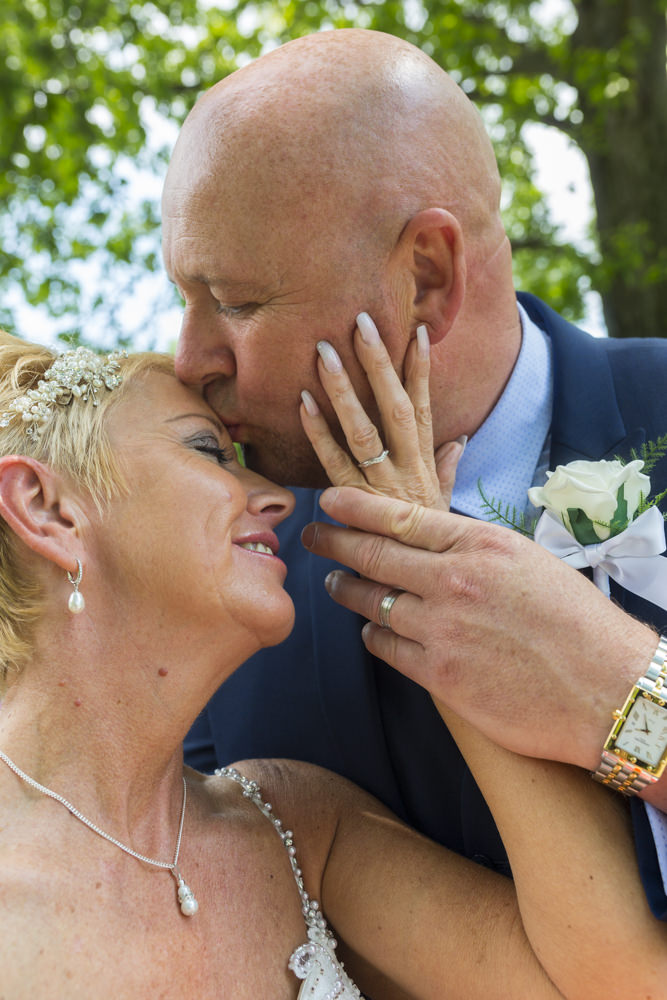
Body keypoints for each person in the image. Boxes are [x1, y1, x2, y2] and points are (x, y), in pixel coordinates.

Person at [162, 28, 667, 917]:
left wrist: (624, 691)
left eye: (236, 302)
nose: (190, 359)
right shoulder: (224, 565)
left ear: (425, 279)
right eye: (185, 300)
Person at [3, 331, 665, 999]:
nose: (277, 497)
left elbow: (618, 984)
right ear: (46, 508)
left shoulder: (299, 830)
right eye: (208, 451)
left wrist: (444, 588)